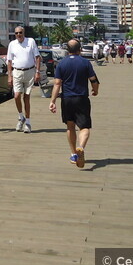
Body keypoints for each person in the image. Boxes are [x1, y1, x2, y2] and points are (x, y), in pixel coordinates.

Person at [49, 38, 99, 168]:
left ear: (67, 50)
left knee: (70, 126)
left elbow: (57, 84)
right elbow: (93, 80)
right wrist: (95, 90)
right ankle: (80, 147)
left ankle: (73, 154)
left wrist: (52, 101)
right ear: (80, 49)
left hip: (67, 99)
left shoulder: (61, 64)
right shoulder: (86, 63)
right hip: (81, 98)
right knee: (84, 127)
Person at [6, 26, 42, 133]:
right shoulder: (12, 44)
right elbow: (9, 60)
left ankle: (28, 122)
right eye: (16, 33)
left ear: (23, 33)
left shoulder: (31, 41)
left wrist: (37, 72)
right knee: (17, 96)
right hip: (16, 71)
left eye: (20, 33)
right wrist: (9, 76)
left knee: (26, 97)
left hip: (30, 71)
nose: (18, 35)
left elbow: (37, 57)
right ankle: (21, 116)